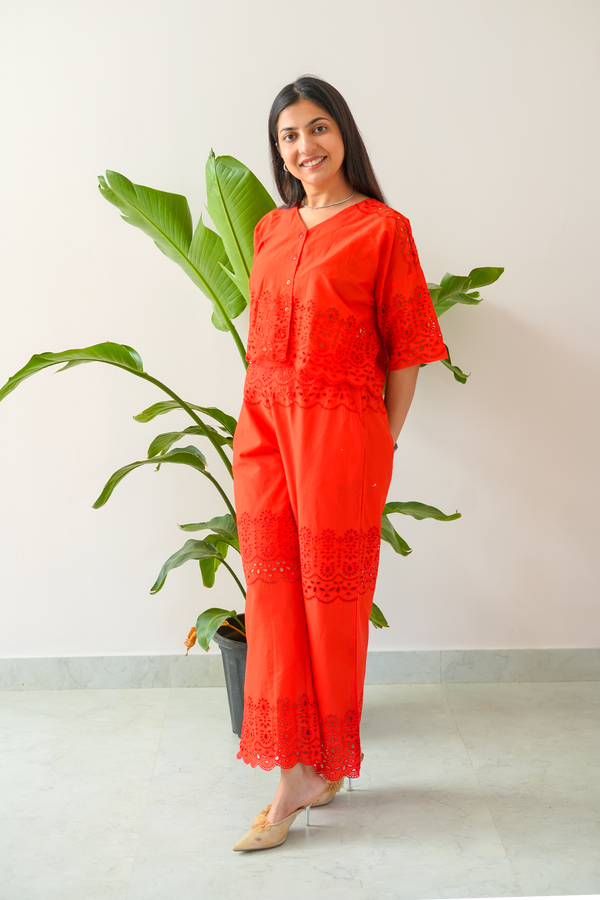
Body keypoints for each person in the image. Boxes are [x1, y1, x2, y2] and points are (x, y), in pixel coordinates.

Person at [231, 76, 447, 852]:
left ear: (344, 135)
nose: (305, 147)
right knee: (274, 596)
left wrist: (381, 444)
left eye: (318, 129)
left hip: (339, 435)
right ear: (279, 149)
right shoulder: (269, 228)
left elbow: (411, 345)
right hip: (262, 430)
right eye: (290, 135)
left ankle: (306, 771)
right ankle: (304, 766)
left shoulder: (383, 229)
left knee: (331, 605)